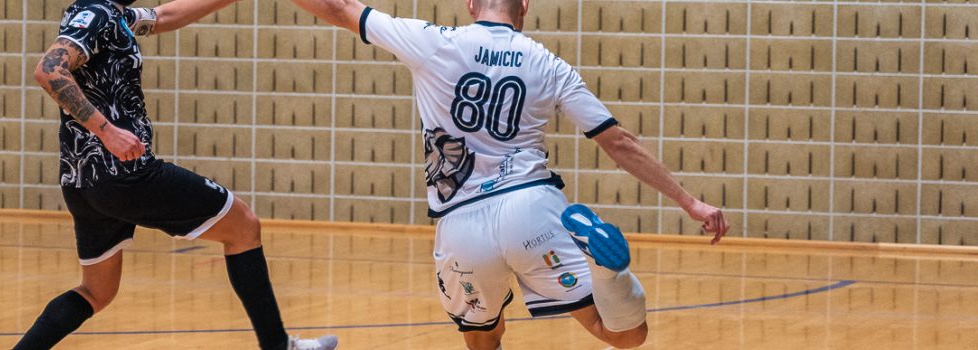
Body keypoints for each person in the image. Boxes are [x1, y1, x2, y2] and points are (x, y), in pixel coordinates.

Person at [283, 0, 731, 348]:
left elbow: (340, 8)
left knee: (482, 338)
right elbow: (619, 142)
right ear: (526, 7)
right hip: (532, 209)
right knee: (624, 335)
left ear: (471, 4)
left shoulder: (432, 40)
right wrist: (690, 202)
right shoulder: (548, 64)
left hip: (461, 223)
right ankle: (608, 274)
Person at [14, 0, 338, 349]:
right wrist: (107, 131)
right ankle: (278, 346)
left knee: (97, 291)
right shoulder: (97, 14)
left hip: (85, 183)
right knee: (243, 226)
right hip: (127, 174)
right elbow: (49, 70)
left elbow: (165, 16)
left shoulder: (114, 16)